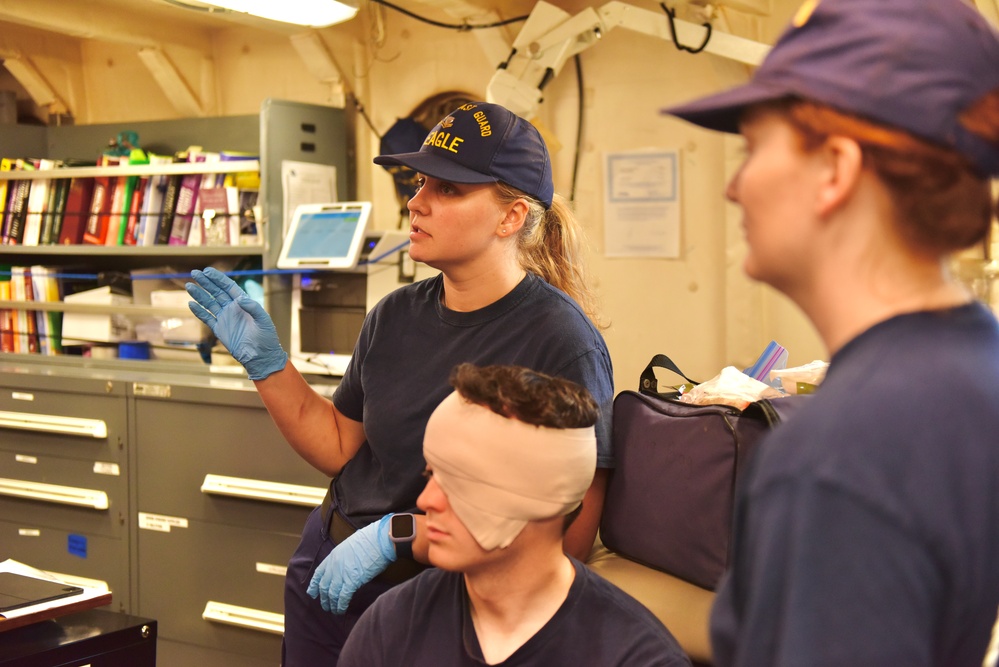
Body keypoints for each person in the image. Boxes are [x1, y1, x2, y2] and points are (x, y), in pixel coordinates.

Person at [185, 101, 615, 665]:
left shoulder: (560, 339)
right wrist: (269, 366)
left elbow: (571, 534)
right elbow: (341, 446)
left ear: (511, 217)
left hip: (441, 594)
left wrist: (409, 532)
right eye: (419, 183)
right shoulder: (393, 315)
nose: (417, 202)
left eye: (449, 189)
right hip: (329, 566)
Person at [661, 0, 999, 665]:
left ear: (835, 170)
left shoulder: (839, 453)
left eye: (754, 148)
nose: (733, 186)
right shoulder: (974, 358)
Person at [338, 363, 691, 667]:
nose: (427, 501)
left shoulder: (635, 657)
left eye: (460, 480)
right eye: (432, 474)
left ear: (546, 501)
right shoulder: (392, 625)